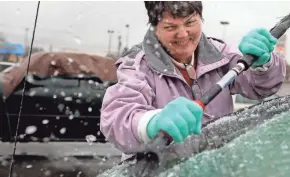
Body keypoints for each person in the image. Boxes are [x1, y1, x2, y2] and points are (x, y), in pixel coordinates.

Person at [100, 1, 286, 161]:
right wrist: (151, 123)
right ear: (154, 28)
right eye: (171, 27)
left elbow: (262, 88)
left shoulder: (221, 54)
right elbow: (117, 117)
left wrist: (264, 63)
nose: (183, 34)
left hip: (214, 167)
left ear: (201, 19)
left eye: (190, 22)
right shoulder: (137, 65)